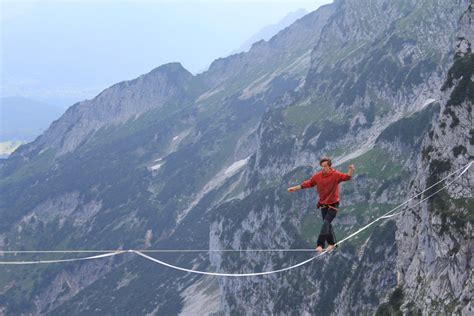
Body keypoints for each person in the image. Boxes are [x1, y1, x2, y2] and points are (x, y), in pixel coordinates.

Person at [288, 157, 354, 253]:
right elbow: (309, 183)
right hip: (323, 205)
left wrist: (351, 170)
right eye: (322, 166)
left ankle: (320, 244)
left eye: (325, 166)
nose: (323, 168)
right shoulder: (317, 176)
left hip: (333, 204)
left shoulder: (335, 175)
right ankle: (331, 243)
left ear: (329, 166)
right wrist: (295, 188)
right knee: (327, 225)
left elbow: (347, 177)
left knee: (326, 223)